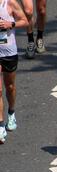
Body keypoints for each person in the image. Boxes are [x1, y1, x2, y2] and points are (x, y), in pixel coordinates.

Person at [0, 0, 28, 144]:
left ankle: (11, 112)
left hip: (9, 53)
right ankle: (0, 125)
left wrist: (11, 24)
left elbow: (25, 21)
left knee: (9, 87)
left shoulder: (10, 3)